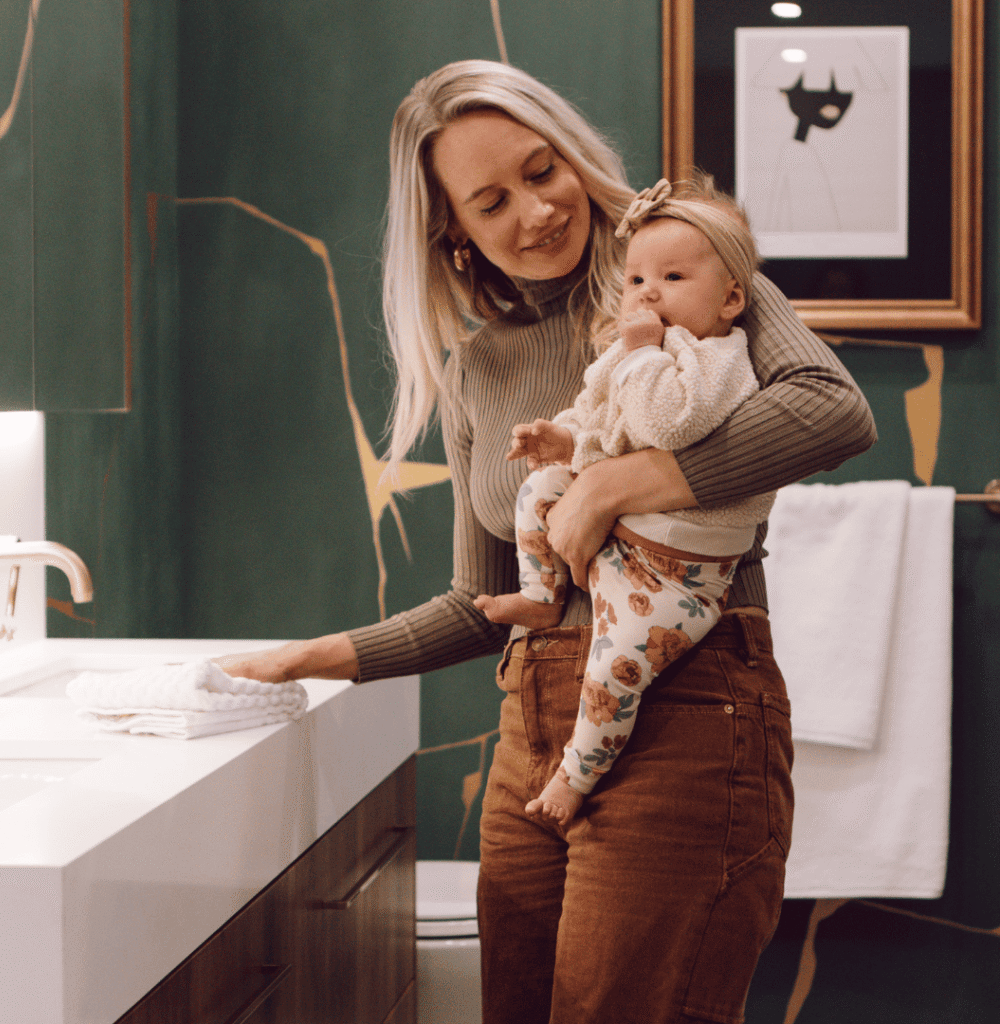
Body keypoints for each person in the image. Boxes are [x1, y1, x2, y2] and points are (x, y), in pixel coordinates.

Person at [217, 59, 876, 1024]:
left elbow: (832, 410)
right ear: (453, 235)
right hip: (532, 733)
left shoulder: (677, 278)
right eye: (492, 201)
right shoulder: (478, 368)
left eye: (543, 169)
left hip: (686, 712)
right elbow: (475, 602)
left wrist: (619, 480)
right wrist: (313, 660)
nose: (537, 210)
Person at [475, 174, 776, 831]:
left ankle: (576, 775)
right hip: (618, 544)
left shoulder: (720, 359)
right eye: (636, 280)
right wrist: (562, 438)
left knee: (616, 671)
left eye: (672, 278)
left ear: (730, 298)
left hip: (678, 577)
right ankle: (540, 592)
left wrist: (641, 351)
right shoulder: (633, 352)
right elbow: (605, 421)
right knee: (540, 488)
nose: (647, 295)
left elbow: (669, 425)